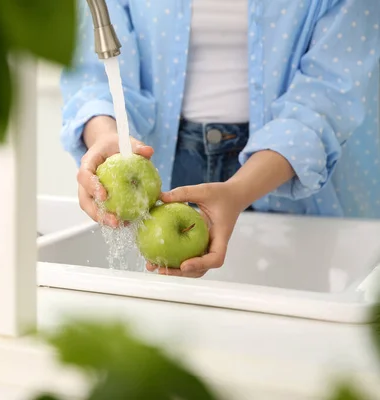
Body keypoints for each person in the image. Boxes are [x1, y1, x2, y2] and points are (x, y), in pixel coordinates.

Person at [59, 0, 380, 278]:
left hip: (288, 172)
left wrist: (241, 190)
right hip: (160, 166)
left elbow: (328, 90)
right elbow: (94, 71)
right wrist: (105, 135)